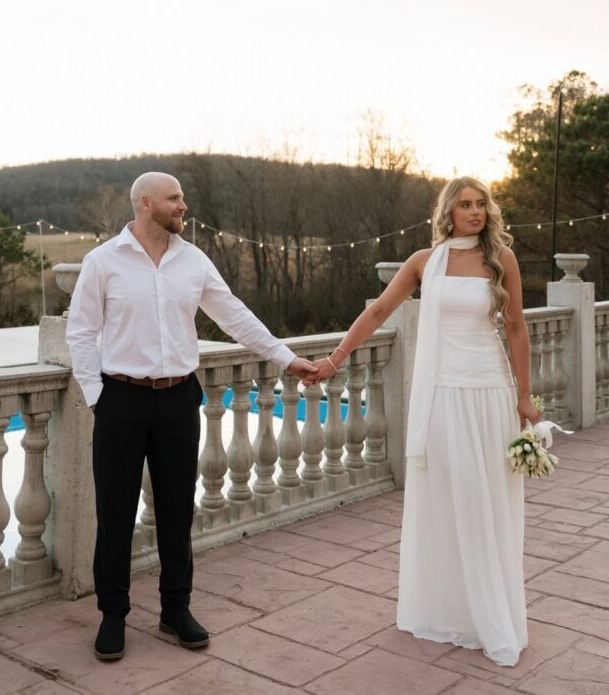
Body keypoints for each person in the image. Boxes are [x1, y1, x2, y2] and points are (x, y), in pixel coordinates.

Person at [66, 171, 318, 662]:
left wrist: (287, 359)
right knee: (115, 513)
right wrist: (98, 397)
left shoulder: (193, 260)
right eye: (174, 198)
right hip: (120, 399)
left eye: (182, 198)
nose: (184, 205)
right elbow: (81, 333)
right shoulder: (103, 262)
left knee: (178, 511)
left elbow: (235, 316)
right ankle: (113, 615)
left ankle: (174, 609)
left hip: (180, 400)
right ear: (145, 203)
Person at [307, 176, 540, 667]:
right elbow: (378, 312)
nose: (475, 213)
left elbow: (517, 327)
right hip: (440, 394)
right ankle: (450, 610)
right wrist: (334, 359)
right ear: (448, 213)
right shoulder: (423, 263)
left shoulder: (503, 260)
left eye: (481, 205)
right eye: (465, 206)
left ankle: (489, 615)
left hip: (489, 390)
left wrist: (524, 395)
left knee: (484, 499)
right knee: (447, 498)